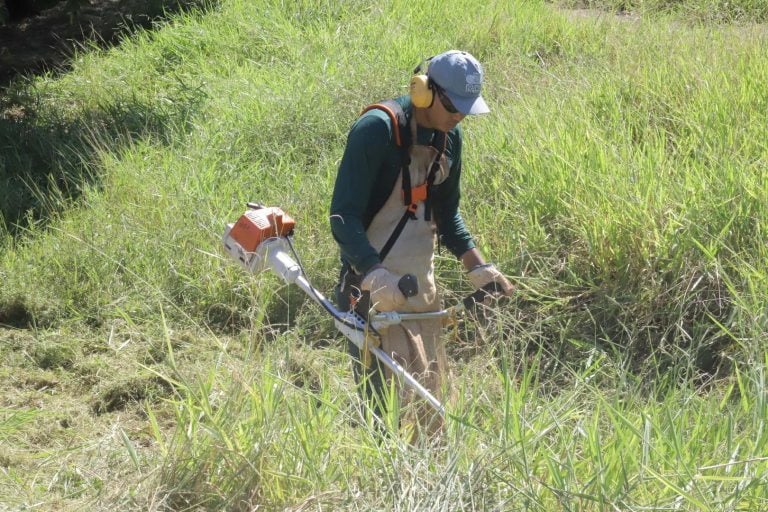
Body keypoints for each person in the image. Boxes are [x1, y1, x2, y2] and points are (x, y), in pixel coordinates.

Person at [330, 49, 514, 440]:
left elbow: (447, 216)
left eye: (467, 108)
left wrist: (477, 266)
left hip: (420, 289)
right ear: (424, 92)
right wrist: (373, 272)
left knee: (432, 405)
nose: (460, 116)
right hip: (370, 289)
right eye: (453, 106)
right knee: (383, 412)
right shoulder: (376, 130)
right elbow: (342, 217)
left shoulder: (450, 140)